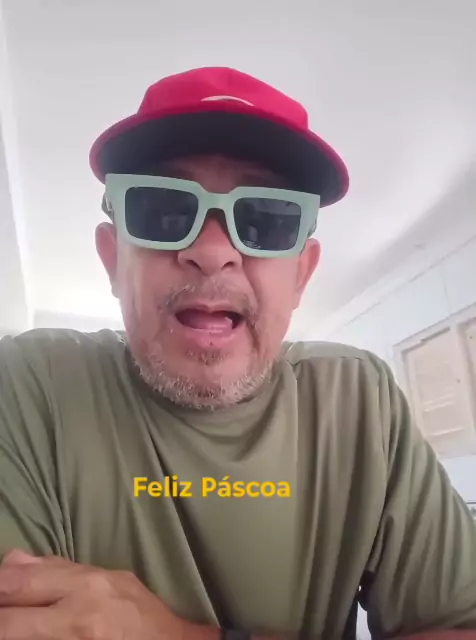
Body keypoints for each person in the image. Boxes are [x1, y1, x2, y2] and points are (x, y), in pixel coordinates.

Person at [0, 66, 475, 640]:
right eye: (163, 210)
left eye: (266, 219)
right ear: (113, 260)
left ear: (301, 275)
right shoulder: (30, 387)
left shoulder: (360, 402)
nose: (212, 251)